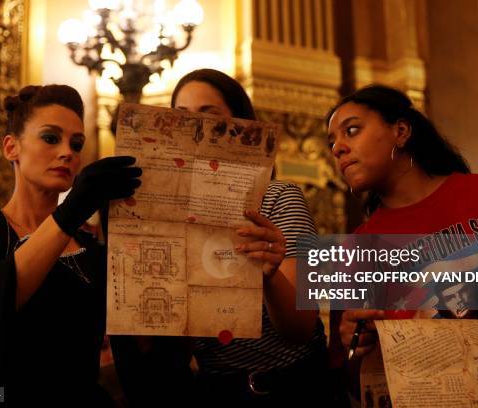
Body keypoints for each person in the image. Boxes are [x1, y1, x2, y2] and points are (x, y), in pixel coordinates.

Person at [112, 69, 332, 404]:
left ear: (241, 124)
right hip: (218, 390)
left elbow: (300, 329)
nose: (195, 129)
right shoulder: (165, 215)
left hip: (295, 385)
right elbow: (176, 351)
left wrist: (269, 275)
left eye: (209, 115)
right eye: (181, 117)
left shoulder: (278, 198)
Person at [326, 84, 478, 398]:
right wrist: (355, 346)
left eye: (351, 130)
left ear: (401, 131)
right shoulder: (354, 250)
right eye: (331, 142)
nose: (337, 148)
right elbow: (346, 378)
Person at [0, 85, 141, 404]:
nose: (68, 153)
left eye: (77, 144)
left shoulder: (93, 246)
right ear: (11, 147)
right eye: (50, 138)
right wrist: (71, 209)